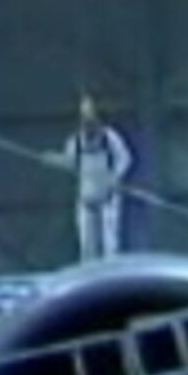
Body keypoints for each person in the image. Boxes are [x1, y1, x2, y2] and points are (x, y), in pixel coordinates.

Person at [58, 95, 135, 262]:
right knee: (86, 244)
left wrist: (115, 177)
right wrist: (56, 160)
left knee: (110, 243)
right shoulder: (75, 141)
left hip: (108, 196)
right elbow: (70, 163)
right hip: (86, 195)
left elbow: (125, 158)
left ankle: (113, 274)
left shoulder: (110, 138)